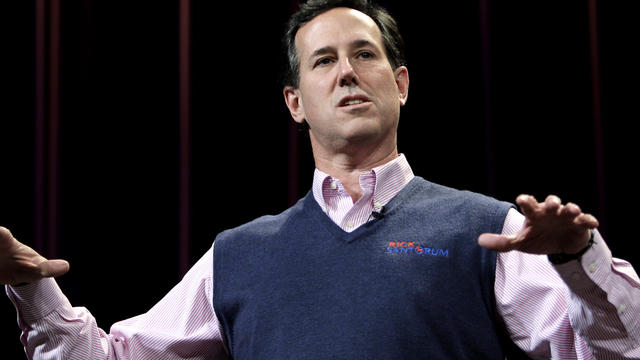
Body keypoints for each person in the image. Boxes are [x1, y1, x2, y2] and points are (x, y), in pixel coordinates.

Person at [2, 0, 639, 358]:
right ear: (295, 102)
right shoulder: (240, 254)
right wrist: (31, 288)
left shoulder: (490, 231)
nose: (346, 73)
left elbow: (618, 353)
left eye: (365, 54)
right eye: (324, 60)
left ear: (402, 83)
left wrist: (578, 261)